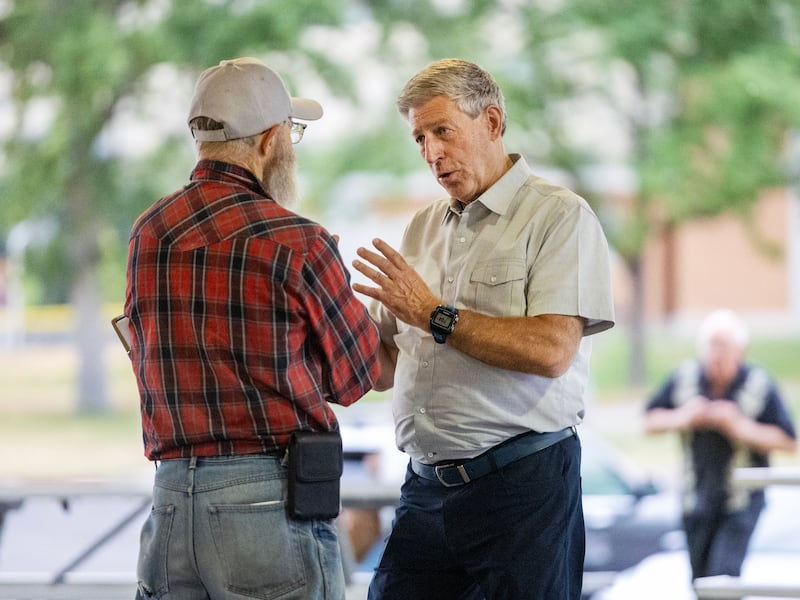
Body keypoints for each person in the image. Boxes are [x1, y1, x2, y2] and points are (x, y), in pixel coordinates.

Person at [351, 58, 615, 600]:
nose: (431, 153)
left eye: (442, 131)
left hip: (522, 491)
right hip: (424, 490)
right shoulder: (421, 227)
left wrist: (432, 314)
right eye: (419, 138)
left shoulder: (559, 217)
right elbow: (382, 367)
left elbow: (551, 349)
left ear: (492, 122)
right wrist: (316, 329)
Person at [124, 57, 381, 600]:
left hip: (169, 499)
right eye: (293, 132)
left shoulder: (148, 233)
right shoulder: (298, 240)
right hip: (266, 503)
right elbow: (356, 377)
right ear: (269, 141)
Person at [644, 309, 796, 581]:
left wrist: (739, 426)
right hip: (695, 498)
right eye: (711, 347)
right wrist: (685, 416)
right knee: (700, 581)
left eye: (723, 348)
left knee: (723, 578)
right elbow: (649, 421)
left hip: (741, 502)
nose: (716, 356)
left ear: (740, 351)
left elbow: (788, 441)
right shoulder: (685, 378)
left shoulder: (759, 384)